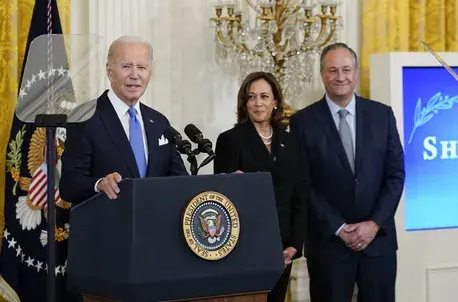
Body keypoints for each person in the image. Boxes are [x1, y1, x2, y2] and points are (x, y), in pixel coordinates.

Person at [289, 43, 405, 302]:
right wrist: (339, 228)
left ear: (356, 73)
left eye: (346, 69)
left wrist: (373, 224)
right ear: (322, 75)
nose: (340, 77)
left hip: (378, 243)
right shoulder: (302, 122)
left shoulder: (382, 115)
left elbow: (395, 175)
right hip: (329, 247)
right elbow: (303, 183)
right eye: (332, 70)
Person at [213, 72, 308, 302]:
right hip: (245, 247)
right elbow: (222, 198)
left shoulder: (292, 141)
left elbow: (300, 195)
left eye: (264, 96)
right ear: (244, 104)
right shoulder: (230, 140)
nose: (258, 103)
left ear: (275, 102)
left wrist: (295, 244)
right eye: (251, 97)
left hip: (282, 249)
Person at [60, 36, 188, 204]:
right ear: (109, 71)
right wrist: (99, 184)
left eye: (141, 67)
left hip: (154, 226)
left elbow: (181, 181)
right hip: (108, 225)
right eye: (126, 66)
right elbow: (69, 186)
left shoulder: (159, 122)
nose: (134, 75)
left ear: (150, 72)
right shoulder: (85, 118)